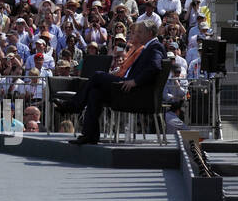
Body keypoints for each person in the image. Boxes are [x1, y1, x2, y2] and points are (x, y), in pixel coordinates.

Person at [62, 18, 165, 146]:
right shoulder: (149, 47)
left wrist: (135, 82)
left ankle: (74, 106)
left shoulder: (155, 47)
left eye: (140, 32)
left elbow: (155, 67)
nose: (137, 35)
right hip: (127, 89)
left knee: (97, 75)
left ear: (149, 33)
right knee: (95, 92)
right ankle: (89, 135)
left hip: (135, 93)